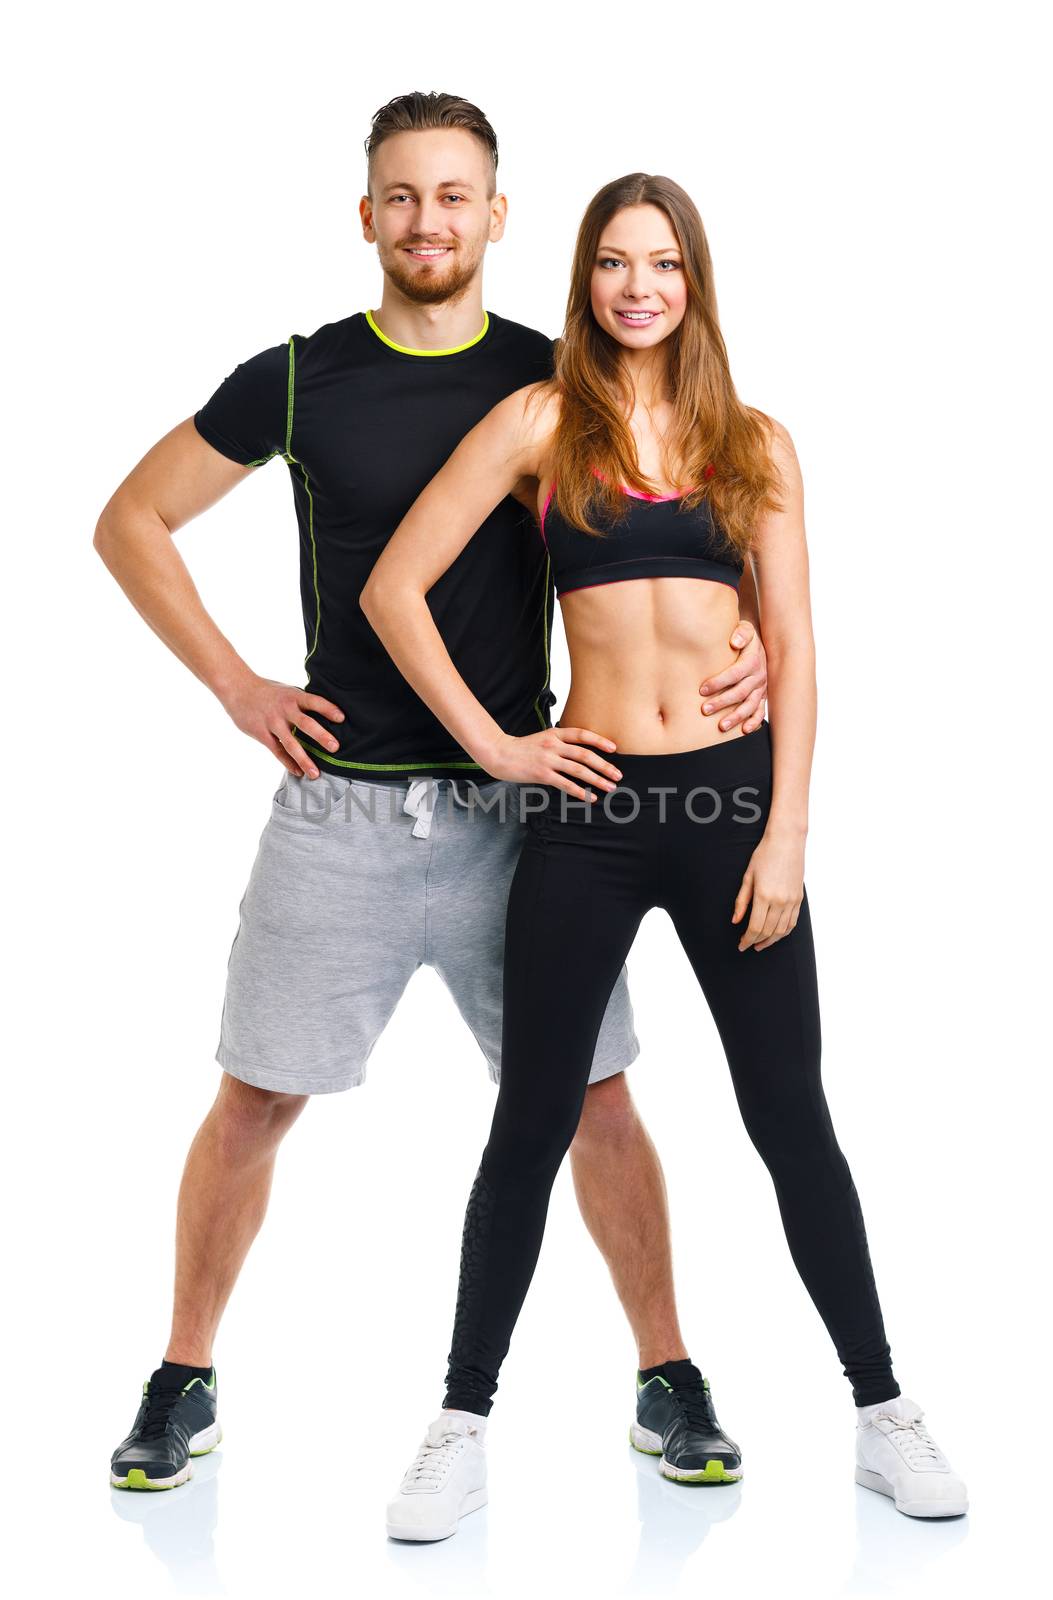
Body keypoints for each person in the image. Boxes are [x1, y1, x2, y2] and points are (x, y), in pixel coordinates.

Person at [97, 95, 767, 1494]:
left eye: (455, 197)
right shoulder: (295, 381)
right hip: (337, 809)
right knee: (253, 1102)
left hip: (520, 813)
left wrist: (743, 633)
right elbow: (131, 520)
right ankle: (180, 1375)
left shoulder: (553, 385)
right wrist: (237, 686)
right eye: (402, 197)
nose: (428, 222)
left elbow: (686, 520)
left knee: (596, 1099)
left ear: (497, 219)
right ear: (366, 217)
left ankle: (665, 1374)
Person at [364, 172, 969, 1539]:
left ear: (692, 283)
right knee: (532, 1119)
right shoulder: (539, 424)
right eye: (612, 265)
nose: (637, 286)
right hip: (586, 813)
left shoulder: (755, 441)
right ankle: (459, 1424)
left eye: (662, 265)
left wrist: (788, 833)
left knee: (787, 1114)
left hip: (726, 816)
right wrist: (500, 745)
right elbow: (395, 588)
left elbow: (797, 644)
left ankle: (882, 1413)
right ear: (584, 282)